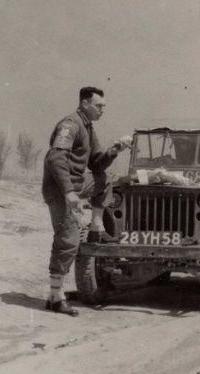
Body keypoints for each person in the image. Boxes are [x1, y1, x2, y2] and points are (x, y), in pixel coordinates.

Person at [41, 86, 132, 316]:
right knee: (68, 241)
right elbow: (55, 158)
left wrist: (114, 150)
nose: (103, 110)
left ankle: (96, 227)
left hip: (78, 186)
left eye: (104, 107)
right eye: (98, 105)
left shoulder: (88, 127)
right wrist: (70, 194)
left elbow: (96, 165)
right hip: (61, 191)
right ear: (84, 104)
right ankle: (55, 297)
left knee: (106, 179)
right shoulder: (70, 125)